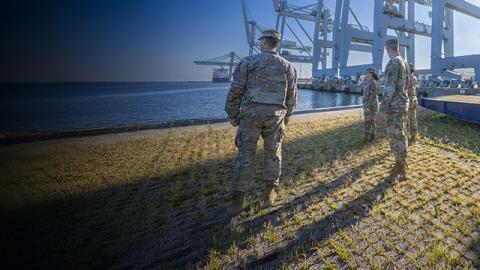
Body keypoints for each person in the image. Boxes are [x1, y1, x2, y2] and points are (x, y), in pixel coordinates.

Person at [224, 29, 297, 215]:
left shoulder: (248, 62)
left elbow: (236, 90)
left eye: (260, 41)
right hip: (275, 117)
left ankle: (238, 199)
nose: (259, 43)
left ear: (264, 42)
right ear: (277, 44)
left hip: (250, 116)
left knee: (245, 156)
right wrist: (287, 115)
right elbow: (292, 96)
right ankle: (269, 193)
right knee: (273, 154)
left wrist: (233, 113)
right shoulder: (288, 66)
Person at [379, 38, 409, 179]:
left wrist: (382, 108)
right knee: (401, 134)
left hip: (394, 106)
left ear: (387, 49)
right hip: (402, 104)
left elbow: (389, 88)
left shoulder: (393, 62)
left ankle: (401, 166)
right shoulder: (404, 62)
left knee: (396, 136)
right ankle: (402, 162)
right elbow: (406, 86)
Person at [362, 67, 380, 143]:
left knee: (368, 122)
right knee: (372, 121)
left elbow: (373, 95)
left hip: (371, 105)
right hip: (368, 104)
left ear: (370, 73)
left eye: (366, 72)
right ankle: (372, 136)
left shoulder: (373, 82)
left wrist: (368, 107)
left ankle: (366, 139)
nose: (365, 74)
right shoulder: (368, 82)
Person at [407, 63, 418, 144]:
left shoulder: (407, 78)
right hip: (414, 99)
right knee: (413, 118)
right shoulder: (414, 78)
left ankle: (407, 136)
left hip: (408, 100)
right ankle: (413, 136)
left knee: (406, 119)